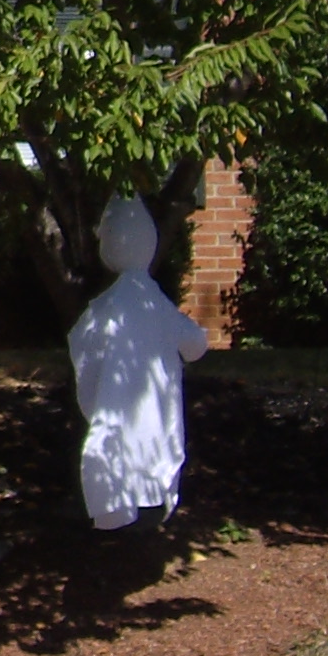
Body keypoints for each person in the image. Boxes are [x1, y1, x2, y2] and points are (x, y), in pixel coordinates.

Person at [69, 193, 209, 530]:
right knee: (154, 449)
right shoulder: (156, 303)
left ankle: (118, 513)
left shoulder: (104, 306)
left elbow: (81, 344)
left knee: (113, 448)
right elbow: (195, 345)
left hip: (114, 403)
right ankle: (146, 510)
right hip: (157, 408)